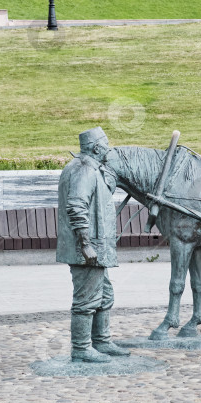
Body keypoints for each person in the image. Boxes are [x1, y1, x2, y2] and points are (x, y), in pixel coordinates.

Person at [57, 127, 130, 362]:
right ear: (97, 147)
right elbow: (77, 206)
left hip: (97, 249)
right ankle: (81, 348)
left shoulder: (92, 169)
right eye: (106, 144)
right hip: (87, 249)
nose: (109, 148)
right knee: (86, 300)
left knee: (105, 295)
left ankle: (102, 341)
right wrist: (85, 244)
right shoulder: (84, 169)